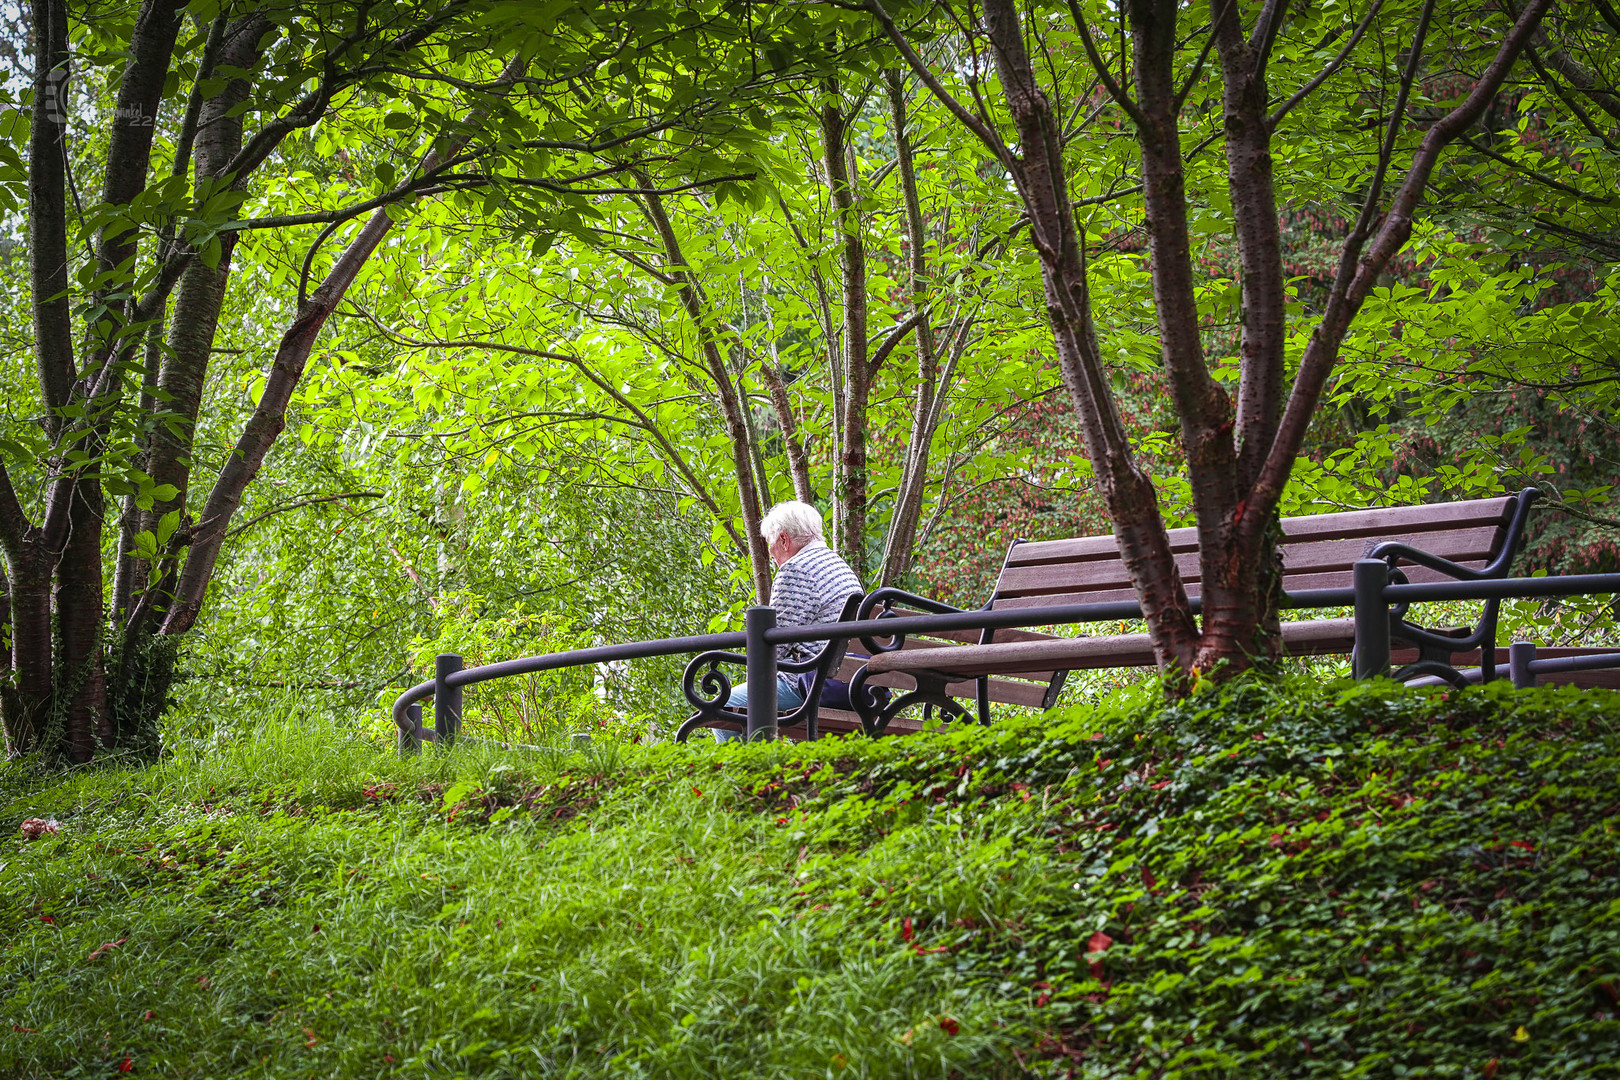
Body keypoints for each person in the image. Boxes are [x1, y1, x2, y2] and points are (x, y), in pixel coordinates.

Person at [716, 501, 861, 740]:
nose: (771, 555)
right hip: (854, 684)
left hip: (817, 685)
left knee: (725, 705)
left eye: (771, 545)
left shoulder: (797, 569)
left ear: (784, 540)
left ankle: (746, 775)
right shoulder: (840, 567)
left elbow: (771, 651)